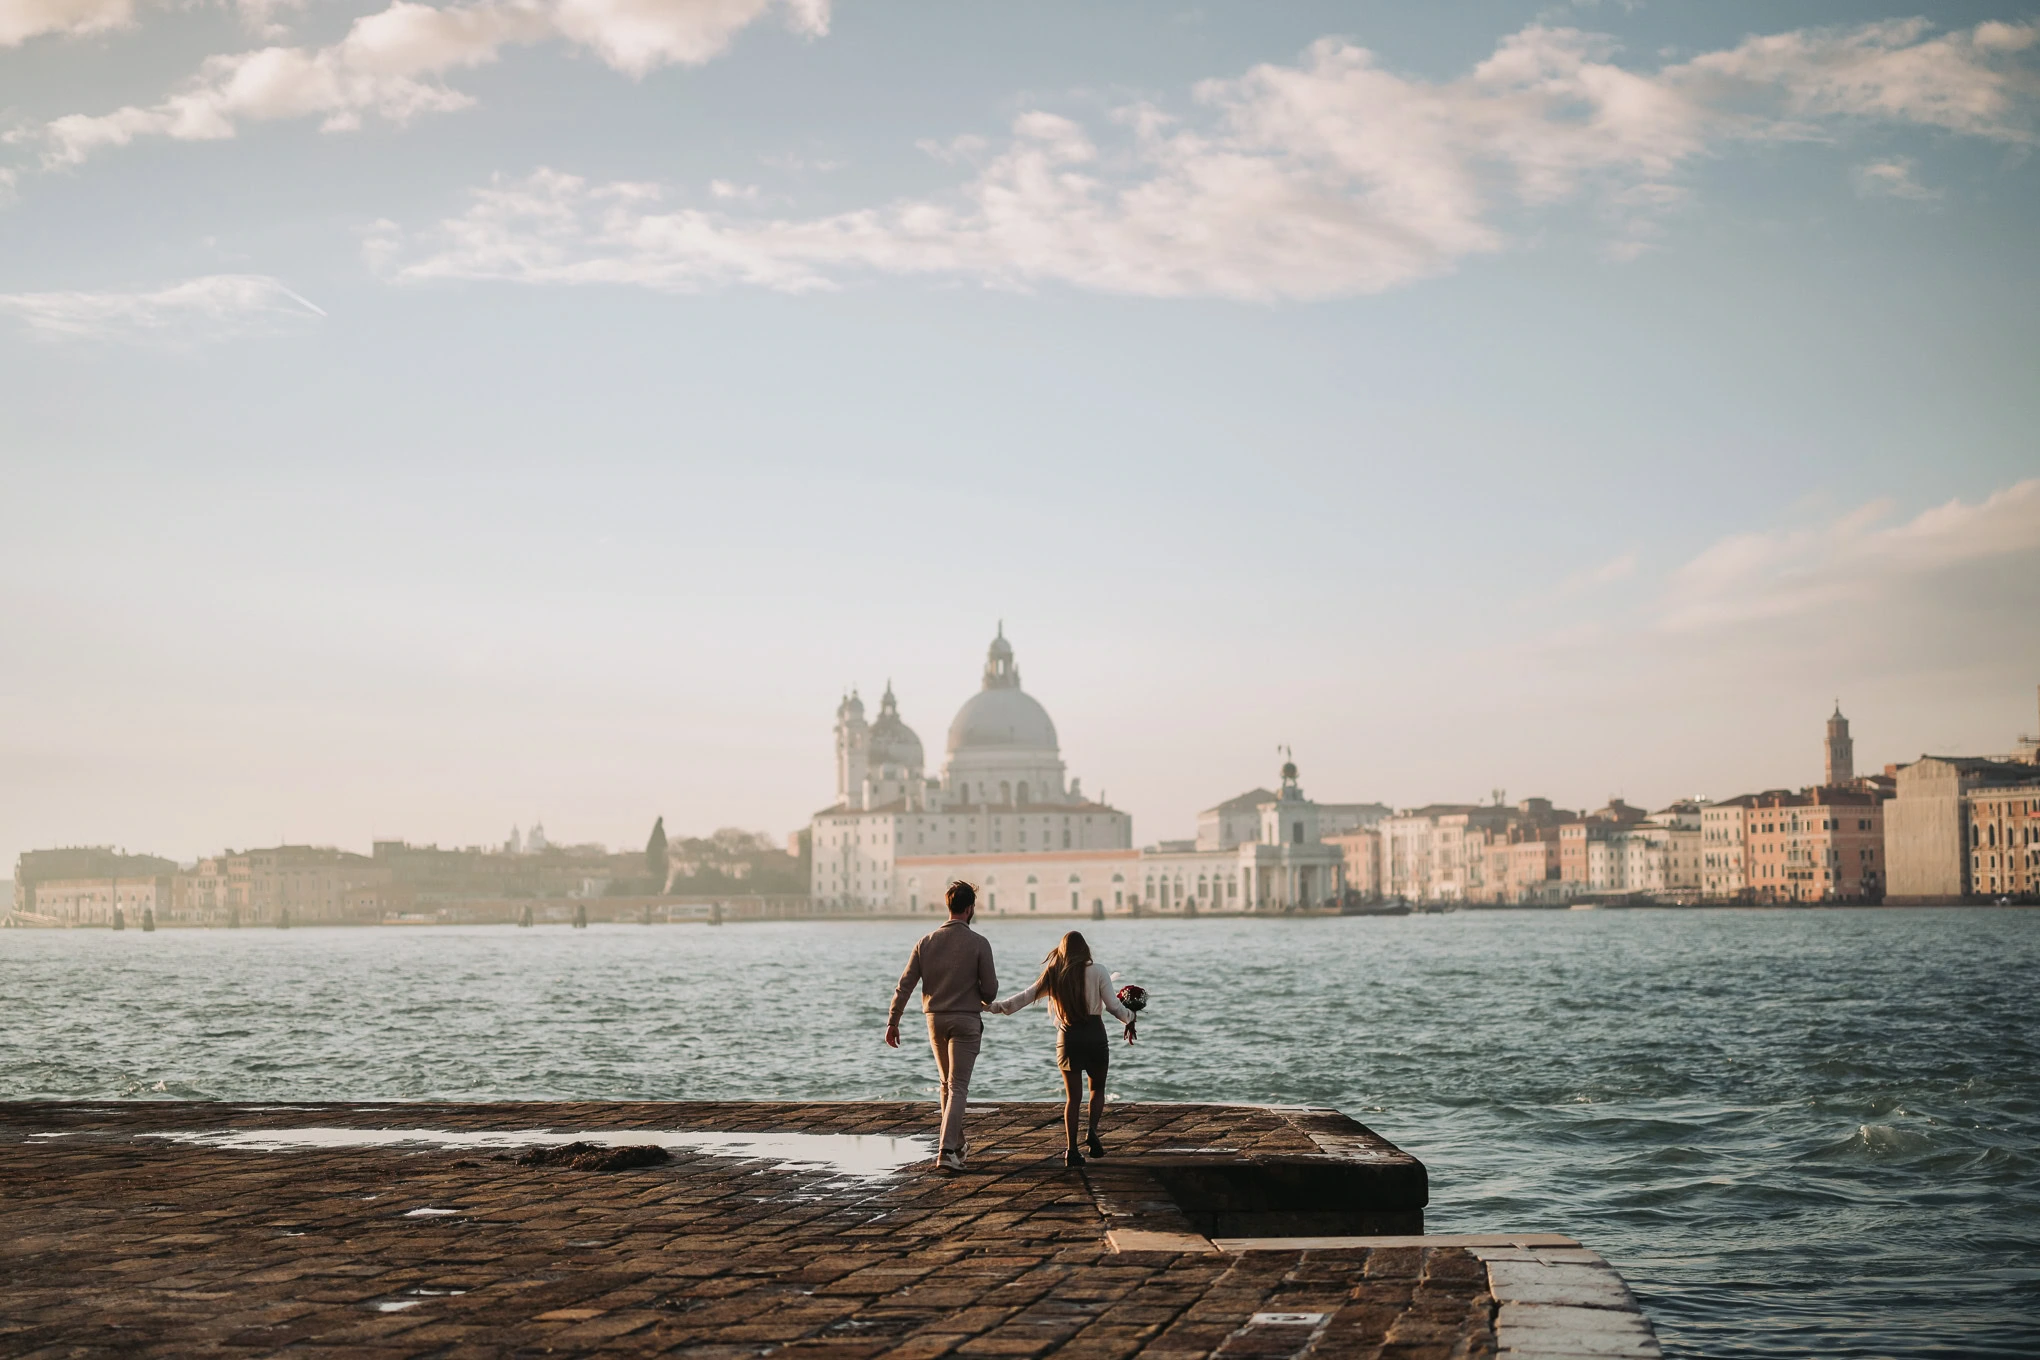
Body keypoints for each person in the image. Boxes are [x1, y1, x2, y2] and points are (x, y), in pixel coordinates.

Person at [988, 930, 1134, 1168]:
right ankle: (1093, 1132)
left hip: (1068, 1038)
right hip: (1095, 1035)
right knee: (1097, 1089)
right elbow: (1114, 1007)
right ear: (1085, 949)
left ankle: (1072, 1150)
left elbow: (1022, 998)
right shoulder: (1098, 971)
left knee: (1072, 1098)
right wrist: (1130, 1017)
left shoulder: (1054, 974)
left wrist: (992, 1007)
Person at [885, 880, 998, 1173]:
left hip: (934, 1019)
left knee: (947, 1084)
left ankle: (957, 1145)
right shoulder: (979, 943)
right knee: (958, 1086)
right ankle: (946, 1151)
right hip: (966, 1020)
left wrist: (893, 1021)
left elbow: (904, 986)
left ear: (948, 907)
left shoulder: (926, 942)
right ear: (970, 908)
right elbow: (990, 992)